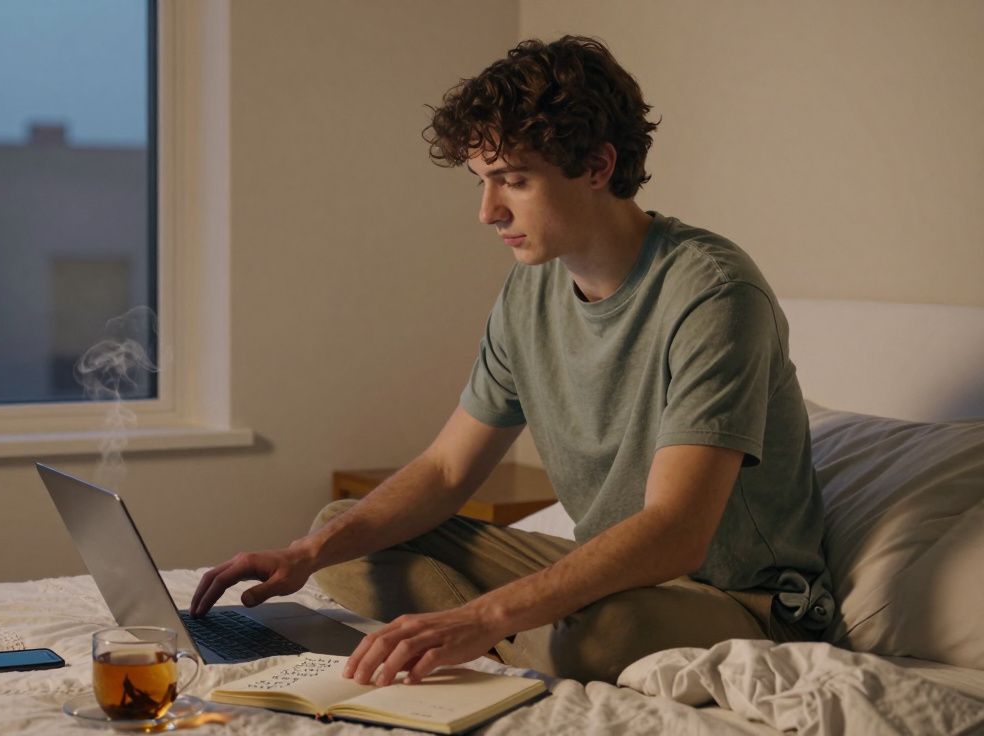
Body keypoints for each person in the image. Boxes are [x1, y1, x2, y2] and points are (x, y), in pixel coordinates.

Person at [190, 35, 833, 685]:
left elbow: (675, 531)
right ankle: (520, 637)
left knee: (605, 637)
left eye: (513, 182)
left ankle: (511, 638)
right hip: (606, 575)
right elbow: (446, 471)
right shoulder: (531, 290)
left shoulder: (713, 293)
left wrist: (486, 617)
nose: (487, 212)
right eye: (482, 183)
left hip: (740, 602)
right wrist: (303, 555)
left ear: (597, 166)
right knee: (340, 533)